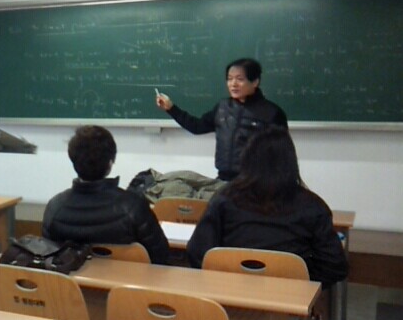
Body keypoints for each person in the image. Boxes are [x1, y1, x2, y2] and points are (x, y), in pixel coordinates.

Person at [186, 127, 348, 286]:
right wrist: (302, 282)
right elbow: (334, 266)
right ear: (291, 163)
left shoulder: (225, 199)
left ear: (246, 160)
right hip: (290, 299)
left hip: (229, 296)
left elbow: (197, 252)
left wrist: (222, 281)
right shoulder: (313, 206)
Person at [42, 125, 170, 264]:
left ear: (73, 162)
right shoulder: (133, 206)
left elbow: (47, 257)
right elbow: (161, 257)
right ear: (110, 163)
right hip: (125, 277)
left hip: (74, 278)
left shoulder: (55, 207)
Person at [156, 58, 288, 181]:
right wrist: (171, 108)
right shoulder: (223, 108)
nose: (233, 84)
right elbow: (197, 127)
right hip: (223, 180)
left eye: (240, 79)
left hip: (255, 182)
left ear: (255, 82)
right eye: (229, 79)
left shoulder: (271, 113)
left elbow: (283, 156)